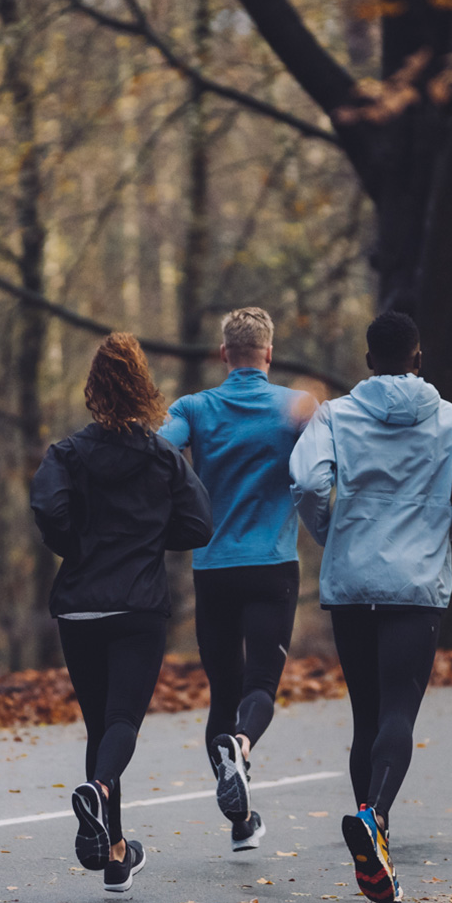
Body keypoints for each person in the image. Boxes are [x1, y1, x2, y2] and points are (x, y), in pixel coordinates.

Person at [289, 312, 452, 903]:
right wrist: (439, 528)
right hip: (414, 588)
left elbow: (307, 483)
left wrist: (332, 531)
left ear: (368, 361)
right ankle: (375, 818)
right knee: (399, 715)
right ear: (418, 358)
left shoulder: (336, 415)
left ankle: (374, 855)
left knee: (367, 716)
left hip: (354, 583)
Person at [31, 333, 212, 892]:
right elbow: (199, 525)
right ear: (144, 389)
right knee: (122, 723)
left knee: (99, 725)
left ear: (93, 389)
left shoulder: (66, 454)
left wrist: (77, 546)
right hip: (137, 605)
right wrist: (151, 538)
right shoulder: (163, 457)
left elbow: (47, 506)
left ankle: (114, 855)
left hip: (82, 607)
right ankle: (101, 793)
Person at [160, 308, 316, 851]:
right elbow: (326, 467)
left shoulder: (196, 408)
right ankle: (243, 748)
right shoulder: (296, 407)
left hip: (213, 567)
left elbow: (159, 450)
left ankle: (241, 824)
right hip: (273, 565)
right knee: (259, 689)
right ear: (269, 353)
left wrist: (185, 498)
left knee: (221, 693)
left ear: (224, 354)